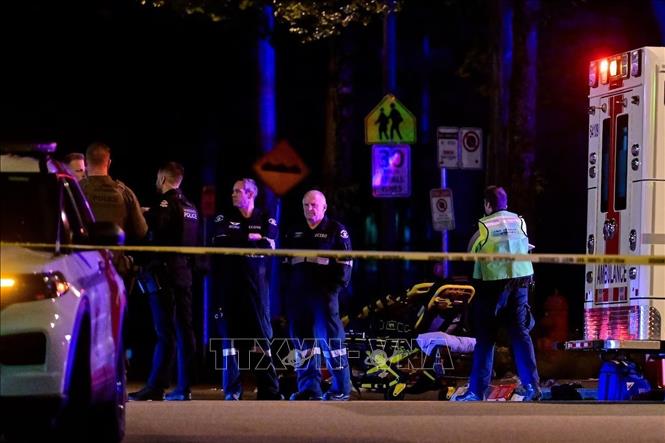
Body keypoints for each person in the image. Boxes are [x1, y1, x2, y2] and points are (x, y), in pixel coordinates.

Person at [455, 186, 541, 401]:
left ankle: (476, 391)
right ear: (506, 203)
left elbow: (469, 257)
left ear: (487, 204)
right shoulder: (520, 222)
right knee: (520, 334)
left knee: (486, 338)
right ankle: (532, 387)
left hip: (492, 286)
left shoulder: (483, 227)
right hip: (521, 283)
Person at [129, 162, 199, 401]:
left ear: (162, 179)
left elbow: (154, 230)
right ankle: (184, 386)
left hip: (164, 274)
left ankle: (156, 386)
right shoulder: (191, 207)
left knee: (164, 332)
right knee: (185, 330)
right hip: (184, 273)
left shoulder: (165, 204)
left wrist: (146, 214)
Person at [211, 178, 282, 400]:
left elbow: (269, 244)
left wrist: (240, 241)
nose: (232, 194)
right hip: (229, 287)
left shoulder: (266, 217)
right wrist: (250, 238)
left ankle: (269, 390)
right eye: (232, 191)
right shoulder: (224, 217)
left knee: (261, 338)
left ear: (250, 194)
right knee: (230, 340)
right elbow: (220, 242)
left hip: (257, 289)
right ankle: (232, 391)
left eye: (237, 191)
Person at [283, 190, 353, 401]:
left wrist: (333, 290)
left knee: (332, 342)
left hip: (324, 296)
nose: (309, 209)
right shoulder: (294, 232)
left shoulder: (336, 230)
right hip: (299, 296)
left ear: (324, 207)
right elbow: (285, 265)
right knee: (303, 345)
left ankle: (341, 389)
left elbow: (346, 264)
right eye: (306, 205)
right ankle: (309, 388)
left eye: (314, 205)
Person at [80, 142, 148, 275]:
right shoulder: (125, 193)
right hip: (115, 270)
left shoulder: (76, 190)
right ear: (109, 163)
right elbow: (142, 231)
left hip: (83, 269)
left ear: (86, 163)